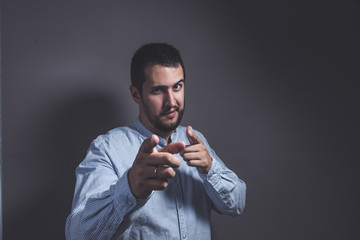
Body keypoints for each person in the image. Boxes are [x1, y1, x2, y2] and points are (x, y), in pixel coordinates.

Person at [65, 43, 246, 239]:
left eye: (177, 86)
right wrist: (130, 189)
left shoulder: (196, 140)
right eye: (158, 90)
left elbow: (237, 205)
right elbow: (78, 235)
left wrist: (211, 169)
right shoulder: (107, 149)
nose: (171, 102)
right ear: (136, 94)